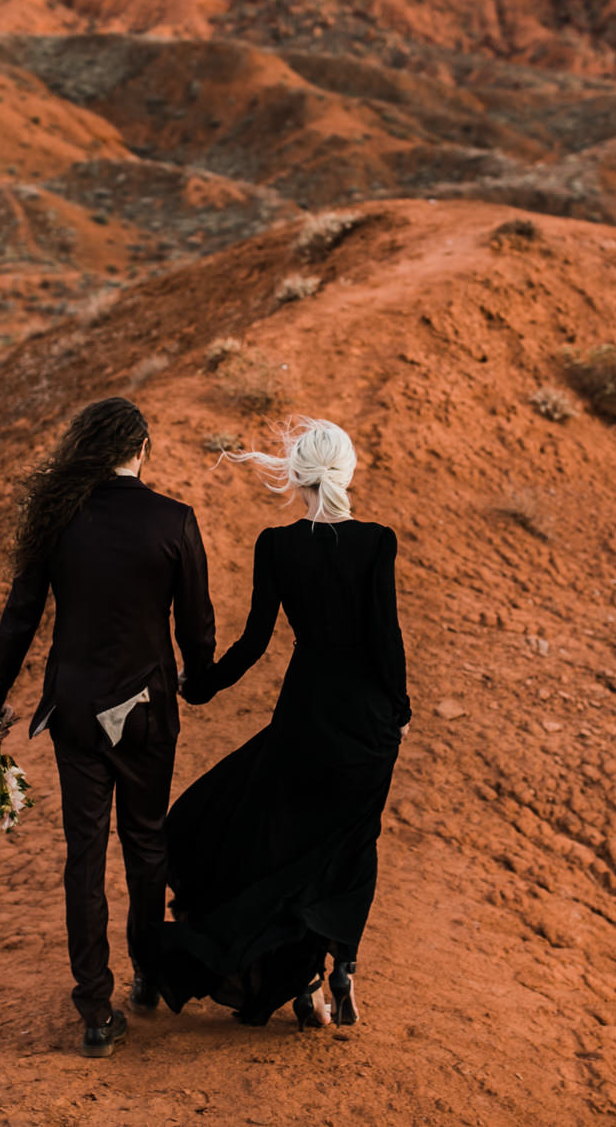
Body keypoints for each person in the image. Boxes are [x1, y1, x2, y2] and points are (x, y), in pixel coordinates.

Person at [135, 418, 409, 1029]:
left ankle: (302, 980)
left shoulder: (276, 545)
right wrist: (400, 710)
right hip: (366, 722)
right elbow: (385, 639)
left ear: (299, 475)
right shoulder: (377, 542)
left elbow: (256, 641)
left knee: (278, 843)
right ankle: (340, 971)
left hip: (306, 713)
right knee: (349, 846)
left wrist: (201, 685)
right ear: (346, 471)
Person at [0, 397, 215, 1058]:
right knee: (145, 842)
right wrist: (196, 678)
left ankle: (93, 1008)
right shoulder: (175, 520)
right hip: (147, 716)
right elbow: (196, 625)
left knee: (84, 853)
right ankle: (145, 975)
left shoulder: (58, 517)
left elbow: (20, 614)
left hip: (76, 714)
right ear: (140, 451)